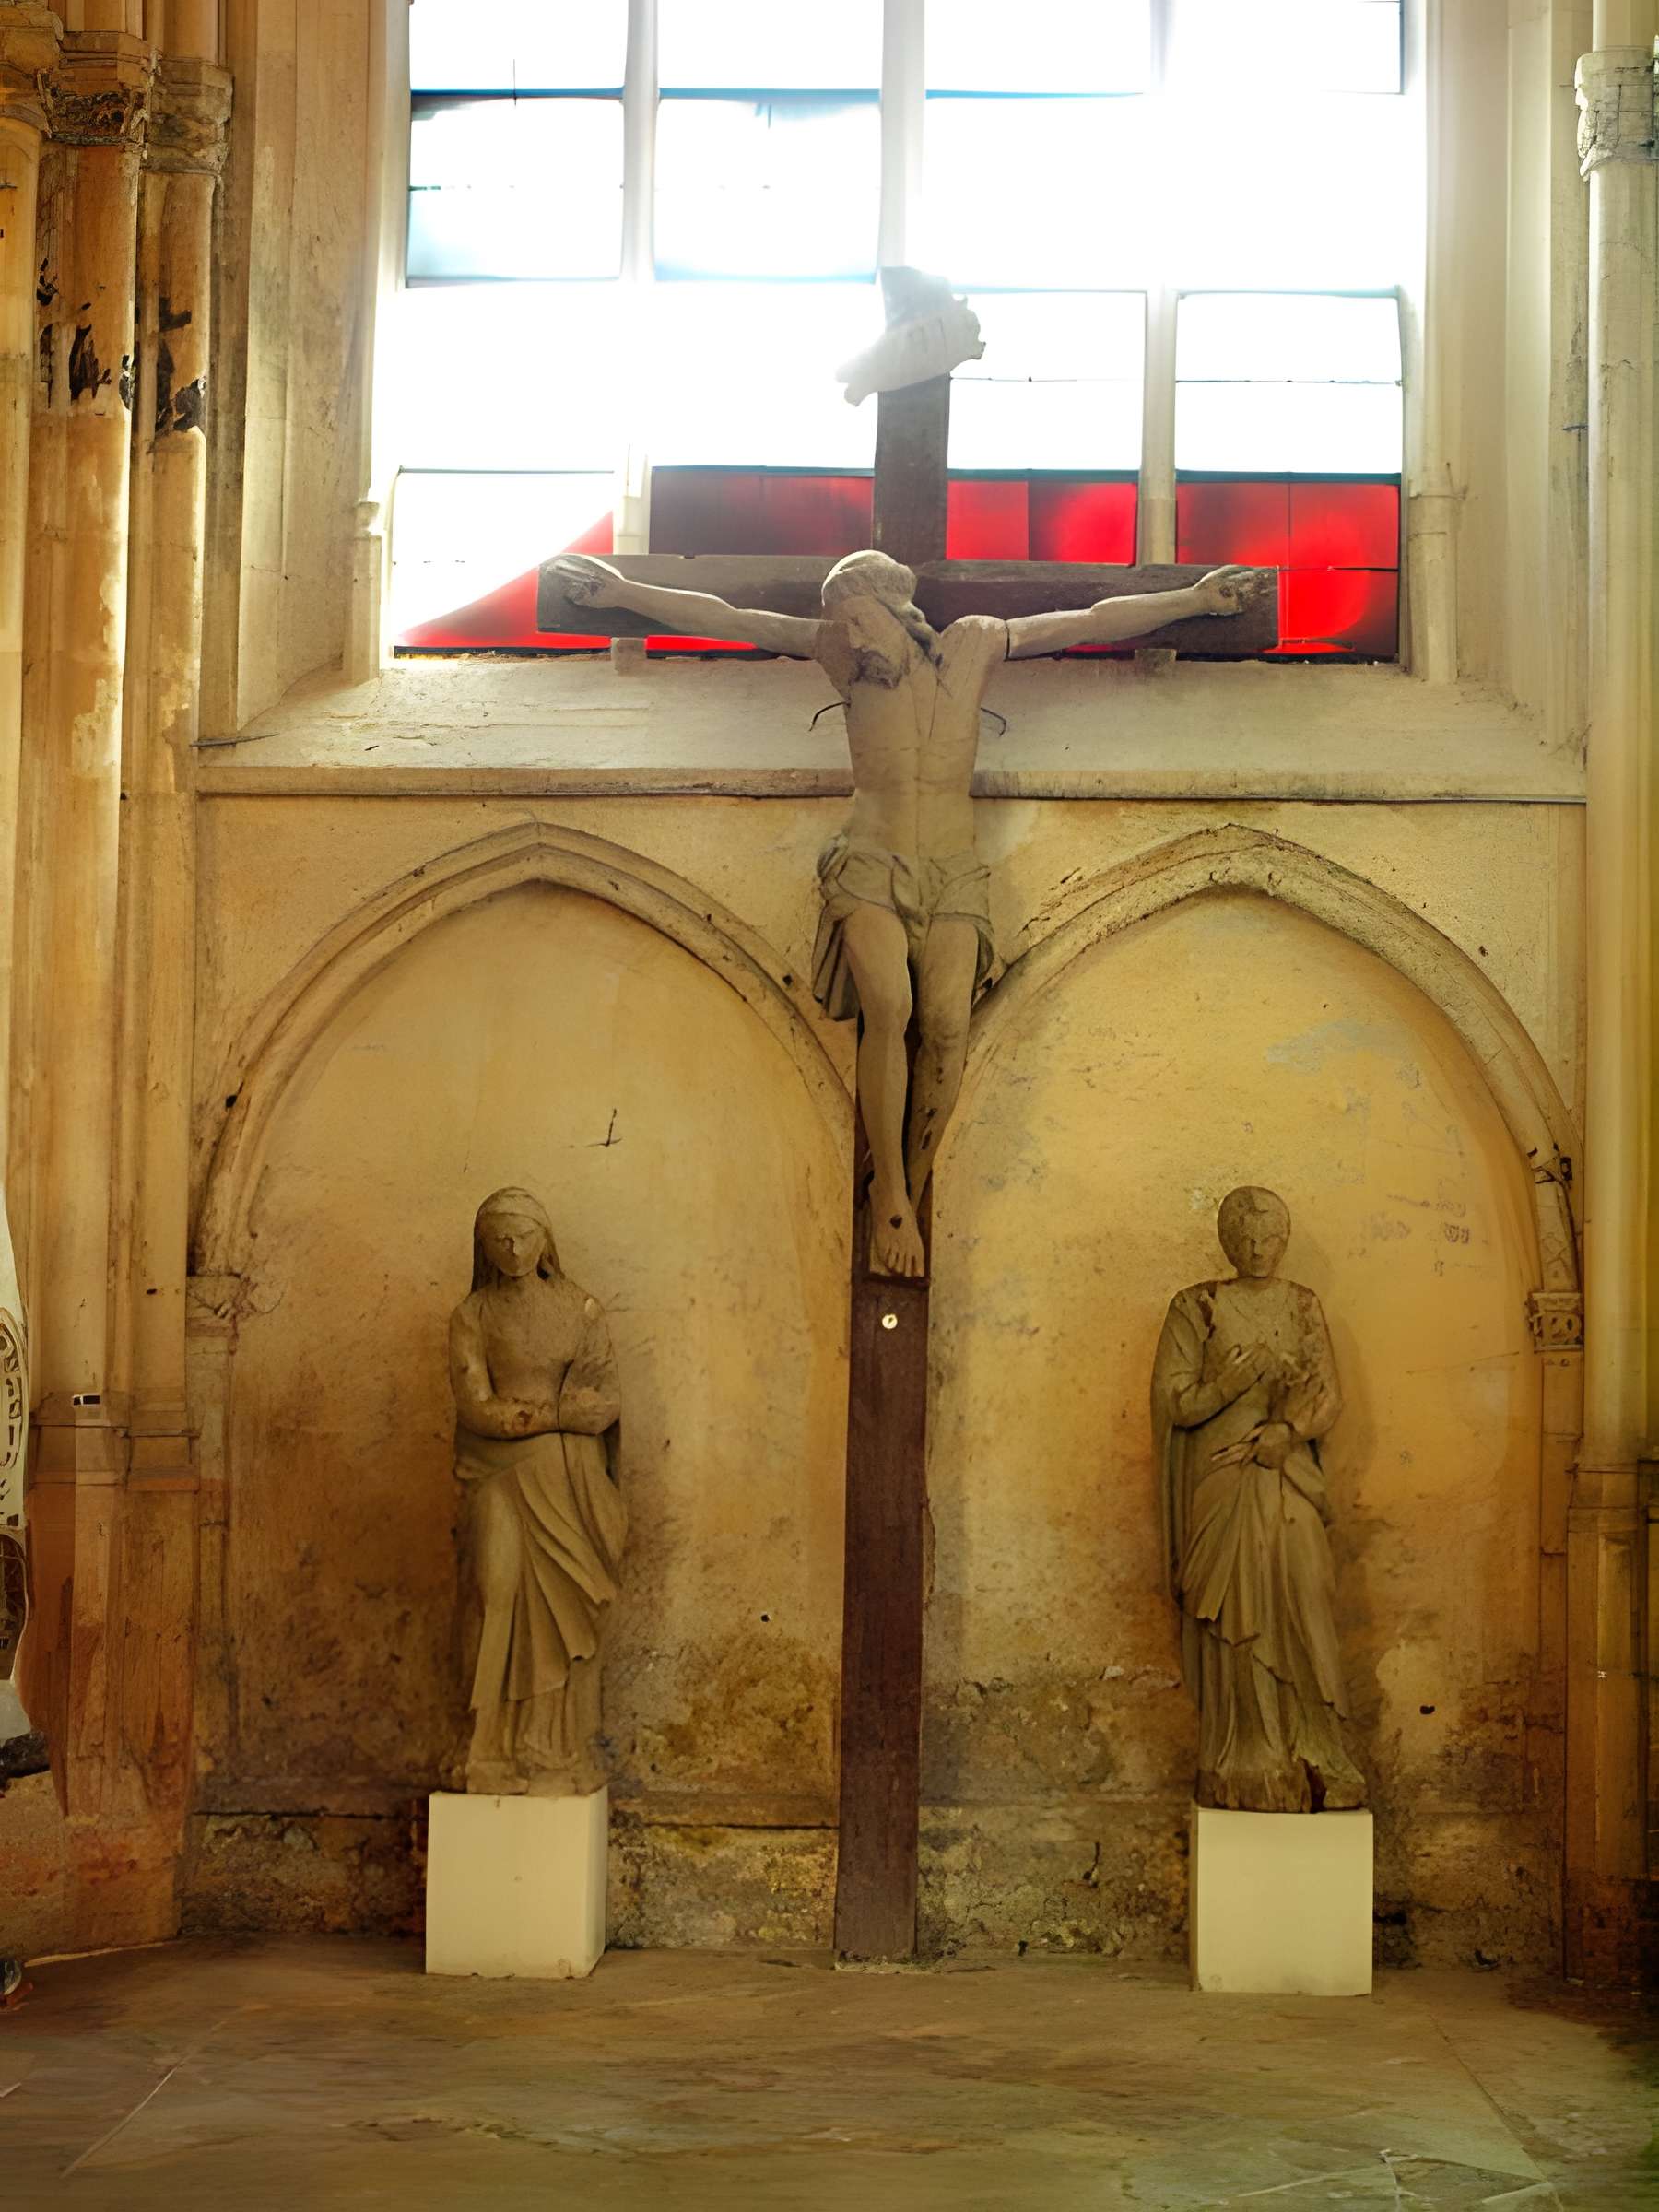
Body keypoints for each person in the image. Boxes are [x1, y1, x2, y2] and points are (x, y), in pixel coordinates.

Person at [553, 548, 1253, 1276]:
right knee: (888, 1007)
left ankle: (910, 1195)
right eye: (838, 623)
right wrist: (627, 591)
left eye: (854, 617)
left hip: (952, 871)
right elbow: (732, 619)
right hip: (871, 864)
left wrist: (1195, 598)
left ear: (893, 609)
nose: (846, 634)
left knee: (947, 1022)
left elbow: (1090, 619)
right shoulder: (843, 658)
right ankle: (887, 1192)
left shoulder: (978, 641)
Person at [1151, 1186, 1367, 1814]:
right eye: (1242, 1237)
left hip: (1288, 1471)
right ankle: (1248, 1754)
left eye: (1268, 1236)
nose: (1255, 1248)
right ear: (1224, 1240)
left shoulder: (1303, 1306)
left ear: (1284, 1240)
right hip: (1220, 1478)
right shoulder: (1196, 1307)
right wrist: (1230, 1382)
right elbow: (1176, 1403)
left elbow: (1328, 1395)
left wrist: (1289, 1432)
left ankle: (1317, 1746)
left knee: (1306, 1592)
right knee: (1235, 1611)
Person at [448, 1187, 626, 1794]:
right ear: (484, 1245)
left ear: (545, 1238)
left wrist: (565, 1415)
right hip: (499, 1474)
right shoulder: (472, 1315)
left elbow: (604, 1402)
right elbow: (476, 1409)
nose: (513, 1247)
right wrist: (554, 1415)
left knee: (569, 1605)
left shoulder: (582, 1309)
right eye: (499, 1237)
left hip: (570, 1481)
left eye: (523, 1233)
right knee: (495, 1592)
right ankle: (486, 1746)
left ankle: (552, 1748)